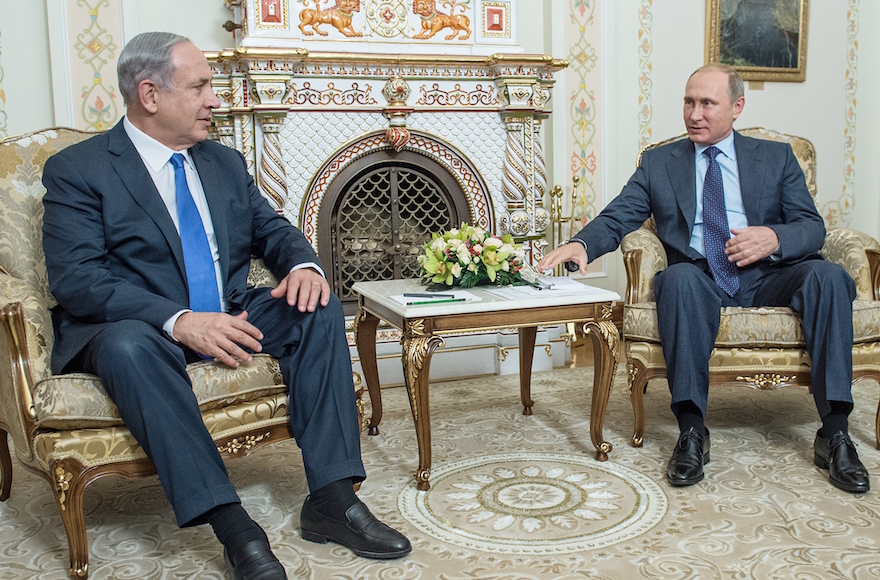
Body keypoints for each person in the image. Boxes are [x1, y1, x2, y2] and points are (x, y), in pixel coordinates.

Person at [42, 32, 411, 579]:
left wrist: (305, 267)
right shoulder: (80, 169)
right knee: (126, 345)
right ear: (150, 95)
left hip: (229, 309)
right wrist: (181, 320)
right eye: (200, 86)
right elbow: (77, 280)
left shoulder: (222, 161)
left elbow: (271, 230)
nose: (216, 99)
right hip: (140, 326)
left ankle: (332, 499)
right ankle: (235, 527)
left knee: (316, 306)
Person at [538, 63, 870, 494]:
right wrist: (583, 245)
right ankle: (692, 430)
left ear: (737, 107)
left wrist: (773, 237)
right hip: (702, 276)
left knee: (830, 276)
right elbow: (622, 213)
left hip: (770, 276)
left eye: (707, 104)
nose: (694, 114)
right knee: (676, 280)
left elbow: (812, 227)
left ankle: (835, 433)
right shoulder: (660, 163)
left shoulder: (775, 157)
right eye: (689, 102)